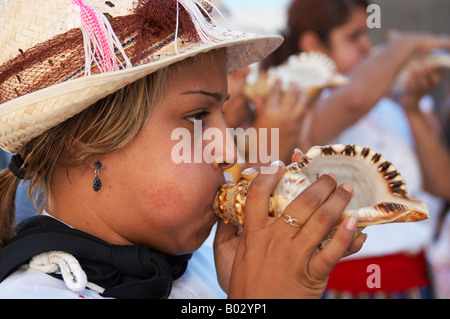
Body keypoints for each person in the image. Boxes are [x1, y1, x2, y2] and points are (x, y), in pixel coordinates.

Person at [0, 0, 365, 299]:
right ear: (84, 140)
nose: (230, 154)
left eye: (222, 113)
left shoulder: (211, 266)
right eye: (196, 117)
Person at [262, 0, 450, 298]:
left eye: (367, 34)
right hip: (343, 287)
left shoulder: (395, 104)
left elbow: (444, 185)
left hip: (414, 281)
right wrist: (406, 46)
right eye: (354, 36)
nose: (366, 46)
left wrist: (412, 108)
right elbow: (355, 100)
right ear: (313, 44)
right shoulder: (300, 105)